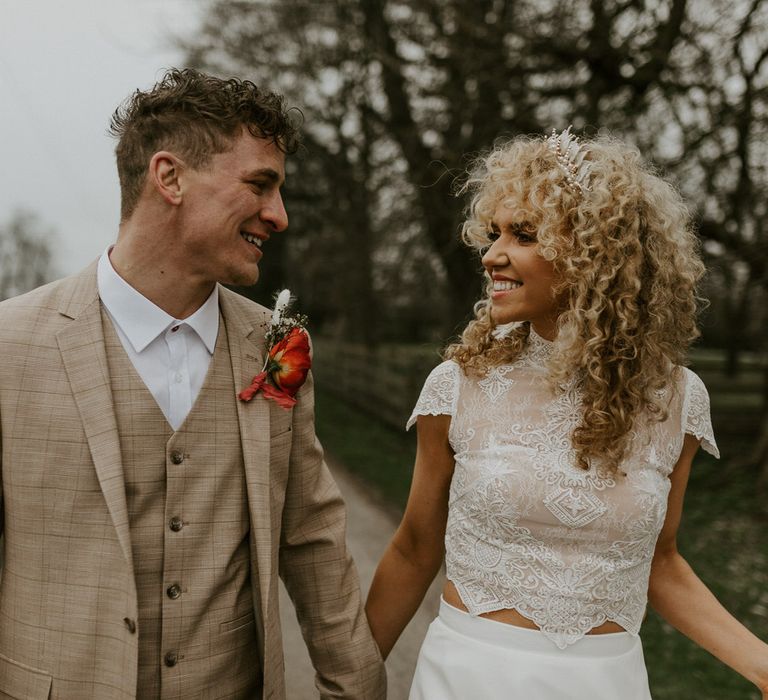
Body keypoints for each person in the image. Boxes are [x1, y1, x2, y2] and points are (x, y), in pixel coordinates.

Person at [0, 68, 385, 700]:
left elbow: (312, 538)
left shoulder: (275, 345)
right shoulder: (12, 344)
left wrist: (355, 690)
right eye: (260, 185)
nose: (279, 216)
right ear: (170, 177)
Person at [365, 128, 768, 699]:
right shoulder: (459, 386)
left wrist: (762, 665)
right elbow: (413, 548)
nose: (492, 254)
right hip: (469, 677)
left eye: (523, 234)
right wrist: (346, 682)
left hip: (609, 682)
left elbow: (663, 562)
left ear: (593, 255)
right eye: (494, 232)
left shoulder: (677, 401)